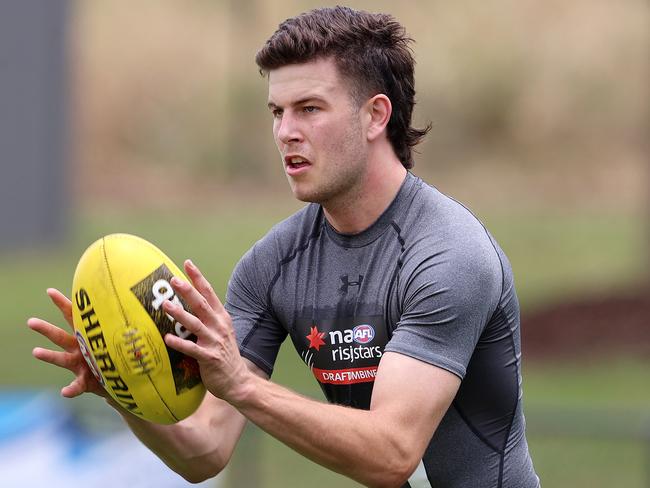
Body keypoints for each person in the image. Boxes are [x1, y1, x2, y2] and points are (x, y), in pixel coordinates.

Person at [29, 6, 540, 488]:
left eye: (309, 109)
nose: (286, 132)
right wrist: (123, 388)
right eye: (277, 112)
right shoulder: (271, 267)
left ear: (375, 116)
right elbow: (206, 449)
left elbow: (392, 452)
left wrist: (243, 386)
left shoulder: (448, 255)